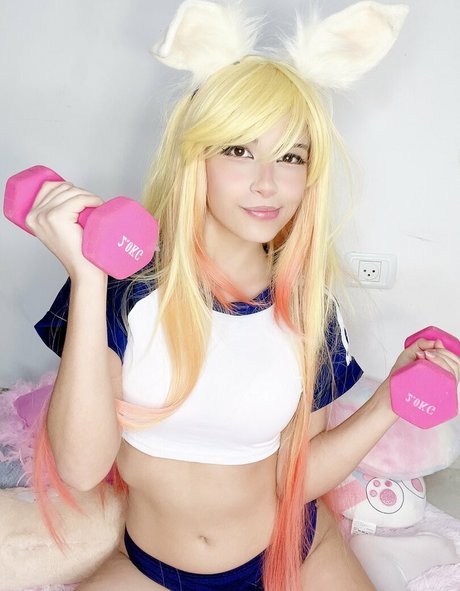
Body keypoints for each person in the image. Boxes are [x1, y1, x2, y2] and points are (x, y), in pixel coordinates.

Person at [27, 2, 459, 590]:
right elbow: (81, 470)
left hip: (292, 548)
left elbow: (295, 478)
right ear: (196, 156)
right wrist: (86, 277)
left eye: (291, 157)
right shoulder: (122, 289)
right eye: (238, 150)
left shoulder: (309, 306)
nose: (267, 183)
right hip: (152, 569)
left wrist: (389, 400)